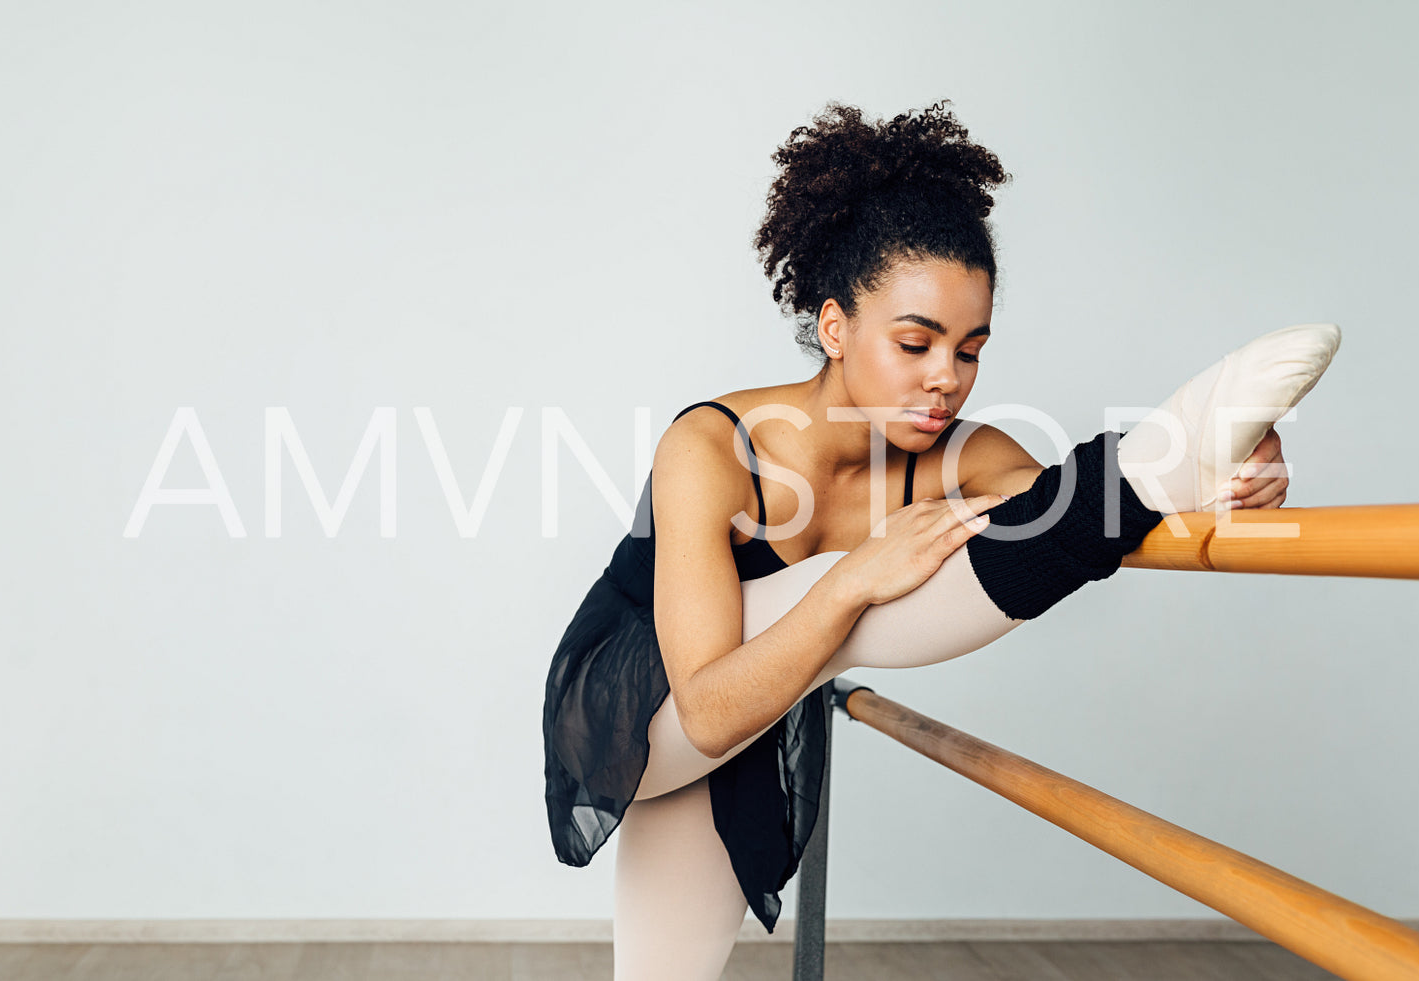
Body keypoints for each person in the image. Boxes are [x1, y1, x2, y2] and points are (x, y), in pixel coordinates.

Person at [540, 99, 1340, 981]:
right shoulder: (711, 447)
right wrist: (852, 580)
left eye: (969, 351)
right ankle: (1152, 461)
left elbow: (1068, 529)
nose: (943, 380)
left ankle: (1161, 464)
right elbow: (707, 708)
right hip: (629, 703)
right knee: (866, 583)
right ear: (835, 325)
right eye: (915, 342)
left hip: (754, 718)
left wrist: (1231, 483)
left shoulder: (970, 456)